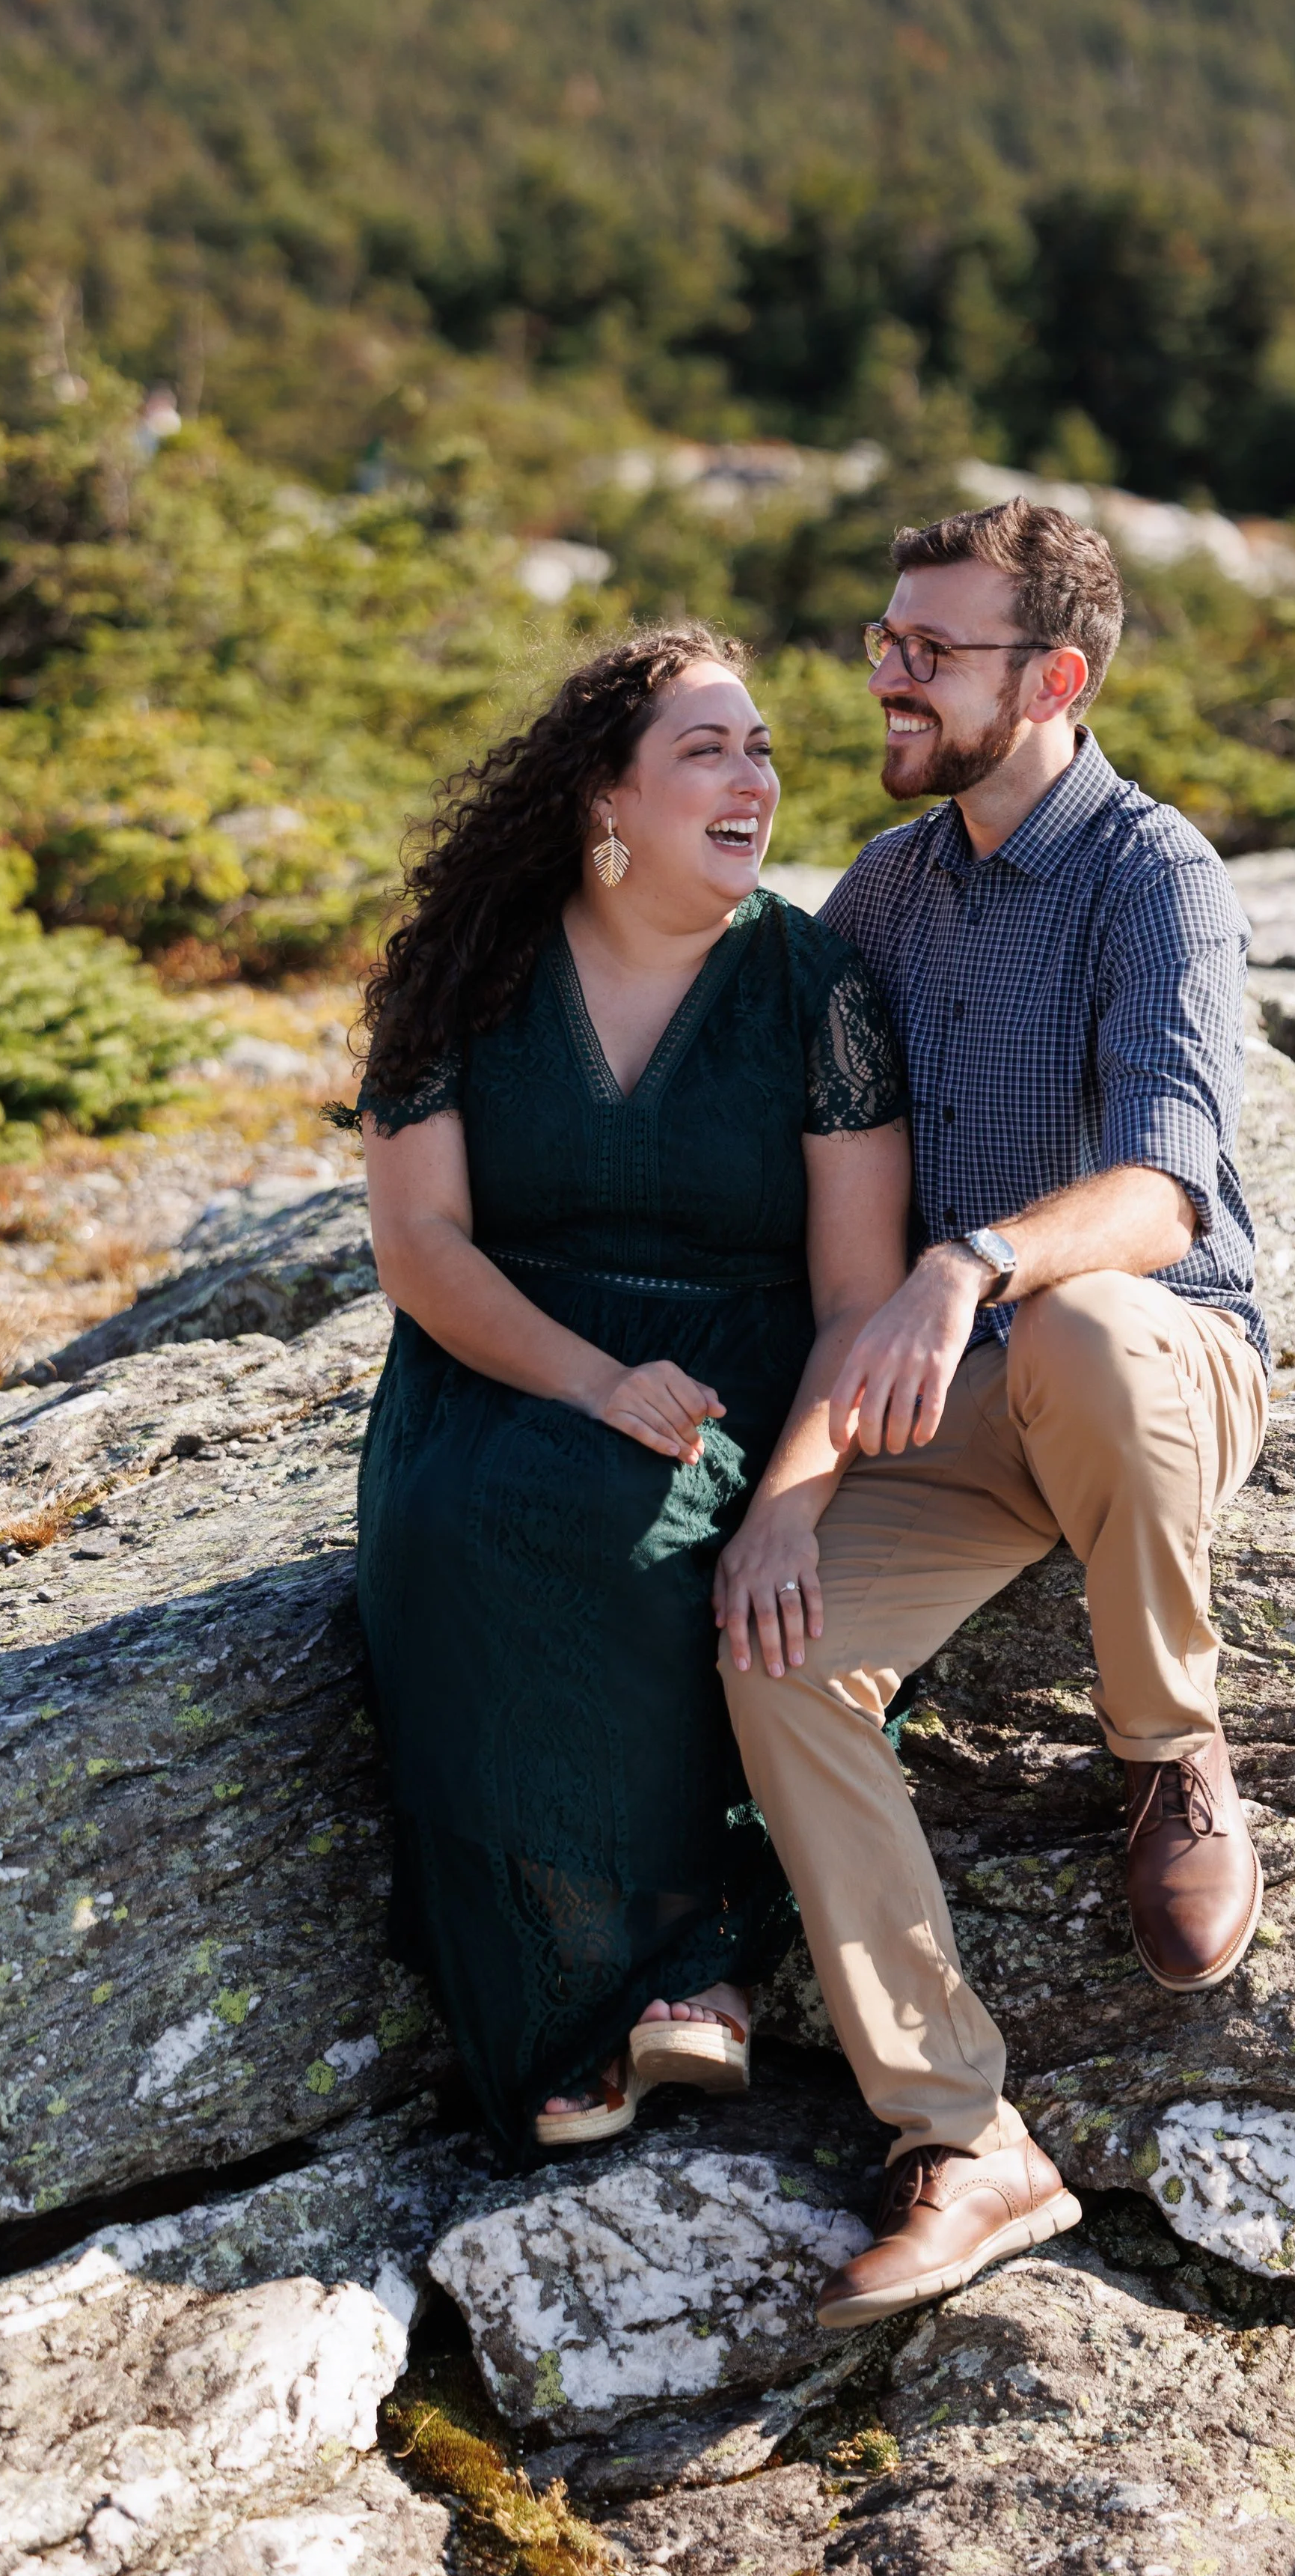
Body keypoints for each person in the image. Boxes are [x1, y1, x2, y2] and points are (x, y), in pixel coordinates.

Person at [717, 497, 1270, 2329]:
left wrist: (974, 1266)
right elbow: (849, 1273)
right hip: (955, 1407)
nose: (882, 673)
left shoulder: (1152, 872)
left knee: (1086, 1329)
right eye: (882, 639)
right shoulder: (879, 893)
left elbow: (1166, 1194)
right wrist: (791, 1492)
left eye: (925, 651)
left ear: (1052, 679)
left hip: (1151, 1366)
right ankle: (962, 2137)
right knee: (775, 1647)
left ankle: (1169, 1748)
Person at [354, 626, 910, 2164]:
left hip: (748, 1374)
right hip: (502, 1356)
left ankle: (700, 1960)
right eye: (707, 752)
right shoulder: (463, 967)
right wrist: (592, 1379)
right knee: (475, 1529)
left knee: (676, 1549)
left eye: (763, 752)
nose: (756, 781)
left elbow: (860, 1295)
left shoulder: (817, 988)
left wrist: (794, 1497)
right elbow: (419, 1244)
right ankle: (562, 2004)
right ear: (605, 794)